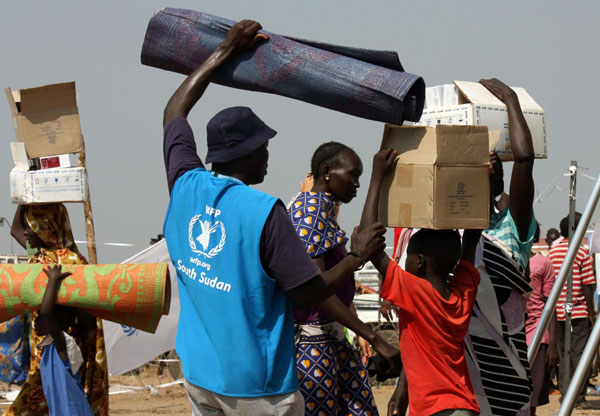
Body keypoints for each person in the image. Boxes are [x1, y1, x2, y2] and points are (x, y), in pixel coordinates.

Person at [162, 19, 390, 415]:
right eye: (264, 146)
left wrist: (225, 50)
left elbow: (174, 110)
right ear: (250, 153)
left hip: (199, 374)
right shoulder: (265, 212)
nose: (269, 154)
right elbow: (305, 291)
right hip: (256, 386)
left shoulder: (184, 186)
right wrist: (357, 256)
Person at [358, 148, 482, 416]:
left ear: (421, 262)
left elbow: (368, 243)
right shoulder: (461, 296)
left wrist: (377, 177)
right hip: (463, 405)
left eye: (409, 255)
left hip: (434, 411)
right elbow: (470, 243)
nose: (405, 261)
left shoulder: (413, 291)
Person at [288, 144, 401, 415]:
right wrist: (374, 337)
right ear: (327, 172)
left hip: (332, 341)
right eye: (352, 175)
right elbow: (318, 290)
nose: (356, 184)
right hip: (315, 347)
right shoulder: (310, 208)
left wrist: (377, 179)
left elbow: (363, 241)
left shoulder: (323, 212)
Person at [6, 204, 109, 416]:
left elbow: (85, 316)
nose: (26, 232)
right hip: (46, 353)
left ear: (48, 227)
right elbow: (15, 229)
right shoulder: (44, 259)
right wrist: (26, 194)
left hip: (61, 350)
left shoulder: (64, 265)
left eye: (32, 226)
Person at [549, 212, 596, 408]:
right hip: (576, 312)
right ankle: (576, 397)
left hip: (558, 312)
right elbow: (587, 285)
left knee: (563, 353)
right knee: (580, 354)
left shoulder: (552, 252)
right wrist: (591, 315)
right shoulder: (581, 252)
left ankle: (566, 395)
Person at [36, 264, 94, 415]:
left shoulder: (62, 343)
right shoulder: (49, 346)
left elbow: (46, 313)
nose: (35, 321)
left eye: (38, 318)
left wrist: (53, 280)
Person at [525, 223, 558, 415]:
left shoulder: (543, 263)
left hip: (536, 333)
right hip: (511, 333)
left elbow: (550, 304)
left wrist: (552, 343)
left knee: (532, 398)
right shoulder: (507, 259)